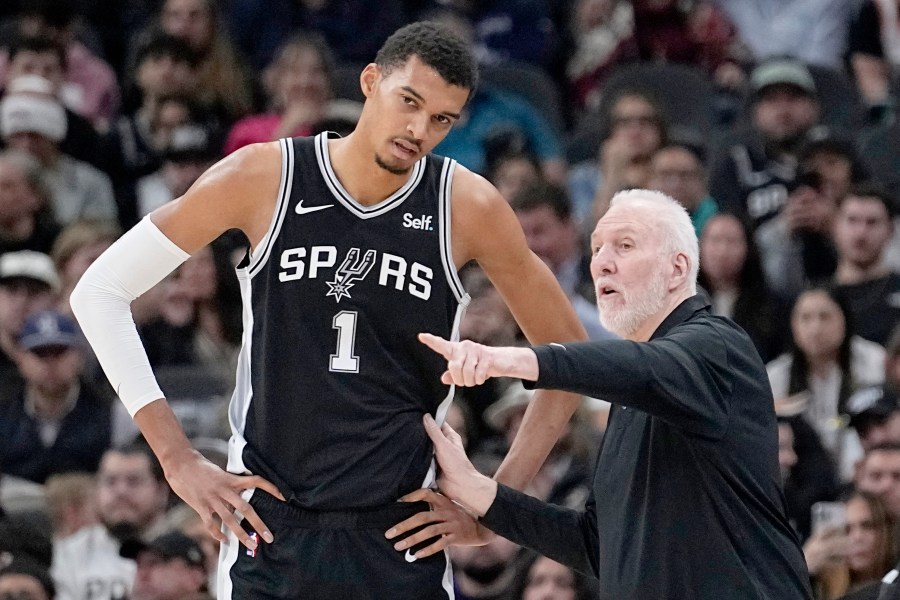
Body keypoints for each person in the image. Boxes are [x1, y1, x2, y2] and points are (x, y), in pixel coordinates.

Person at [70, 21, 586, 598]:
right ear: (371, 82)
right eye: (409, 102)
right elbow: (99, 291)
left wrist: (495, 506)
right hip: (270, 530)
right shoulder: (264, 176)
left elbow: (569, 362)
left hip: (400, 537)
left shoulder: (466, 206)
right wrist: (175, 457)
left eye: (441, 119)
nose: (419, 129)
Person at [391, 189, 812, 599]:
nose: (602, 264)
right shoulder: (630, 393)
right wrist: (480, 494)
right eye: (596, 249)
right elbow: (599, 548)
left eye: (624, 246)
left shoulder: (716, 347)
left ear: (677, 268)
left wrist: (513, 360)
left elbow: (642, 369)